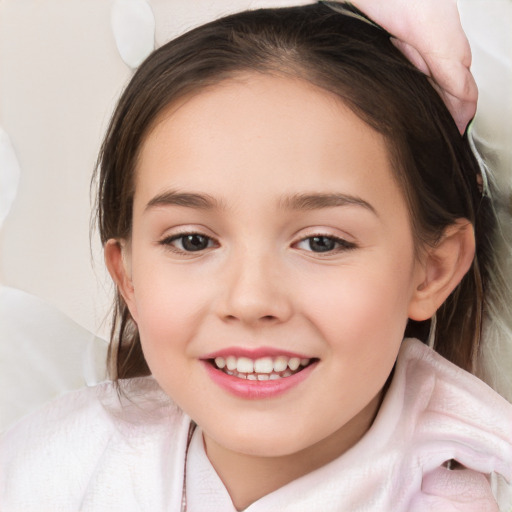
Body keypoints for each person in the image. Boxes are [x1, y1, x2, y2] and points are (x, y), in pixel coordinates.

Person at [1, 2, 511, 511]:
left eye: (321, 242)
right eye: (192, 241)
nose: (250, 300)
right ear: (128, 276)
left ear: (433, 269)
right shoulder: (50, 468)